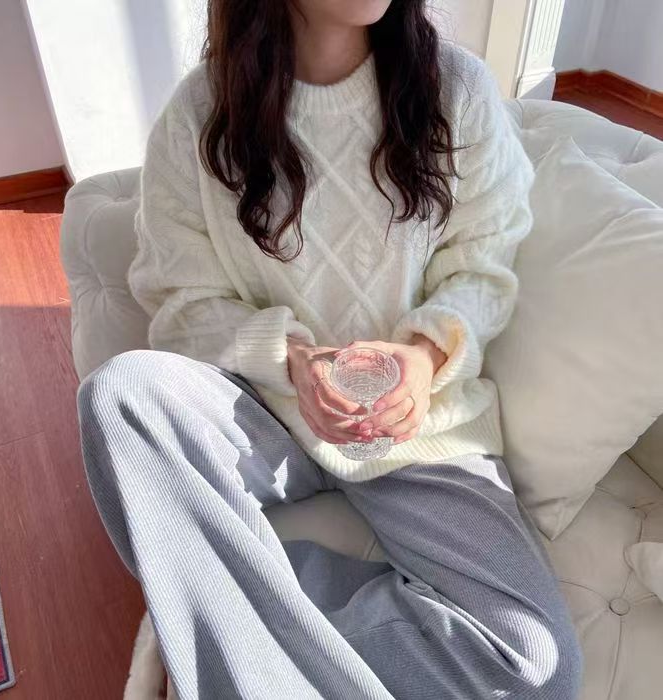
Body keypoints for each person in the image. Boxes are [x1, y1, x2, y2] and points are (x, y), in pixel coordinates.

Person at [78, 1, 583, 697]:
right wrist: (290, 358)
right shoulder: (199, 116)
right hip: (263, 411)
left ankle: (226, 605)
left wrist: (425, 357)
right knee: (121, 395)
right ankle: (229, 607)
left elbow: (484, 266)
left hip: (413, 427)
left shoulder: (456, 91)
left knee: (535, 667)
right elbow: (182, 302)